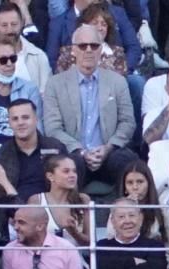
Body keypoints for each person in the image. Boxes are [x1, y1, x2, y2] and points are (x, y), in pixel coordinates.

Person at [42, 23, 136, 191]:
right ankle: (69, 213)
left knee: (127, 162)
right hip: (74, 153)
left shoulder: (117, 81)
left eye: (94, 45)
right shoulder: (55, 84)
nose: (88, 50)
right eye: (82, 45)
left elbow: (127, 122)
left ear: (101, 49)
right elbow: (53, 129)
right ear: (73, 50)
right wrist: (81, 151)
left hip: (109, 152)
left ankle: (129, 211)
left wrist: (108, 147)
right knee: (69, 164)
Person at [0, 98, 66, 202]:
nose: (20, 123)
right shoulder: (2, 154)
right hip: (14, 213)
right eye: (15, 119)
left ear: (36, 119)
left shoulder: (55, 148)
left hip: (52, 210)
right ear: (10, 123)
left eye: (25, 117)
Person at [1, 202, 87, 269]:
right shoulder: (10, 250)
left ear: (40, 226)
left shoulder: (66, 249)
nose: (15, 227)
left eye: (21, 223)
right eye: (15, 222)